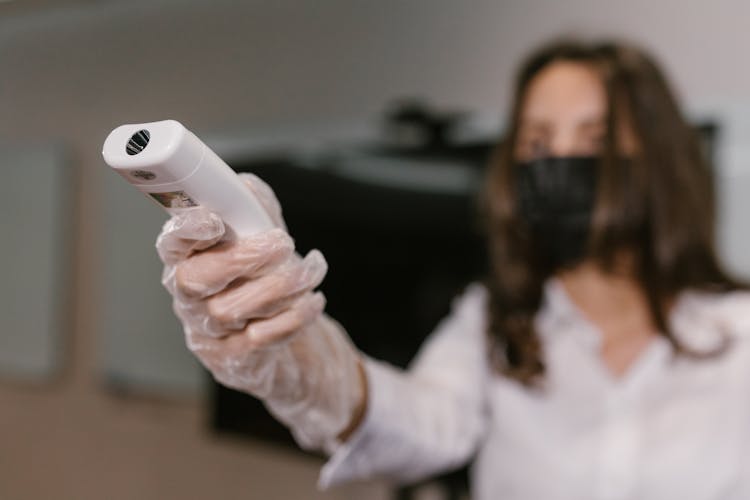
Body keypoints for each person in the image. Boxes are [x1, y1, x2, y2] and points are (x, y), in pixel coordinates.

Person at [155, 39, 750, 499]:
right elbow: (414, 423)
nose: (561, 163)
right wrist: (299, 354)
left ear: (659, 162)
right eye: (537, 145)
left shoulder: (739, 334)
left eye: (593, 140)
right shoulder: (492, 322)